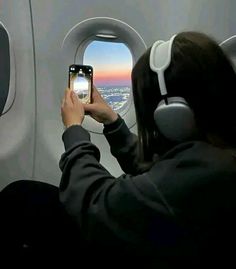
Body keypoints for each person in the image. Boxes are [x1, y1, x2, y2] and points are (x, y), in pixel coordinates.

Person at [59, 31, 236, 267]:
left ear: (171, 115)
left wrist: (73, 130)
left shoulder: (204, 172)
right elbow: (154, 173)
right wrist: (113, 122)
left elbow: (96, 204)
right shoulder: (214, 157)